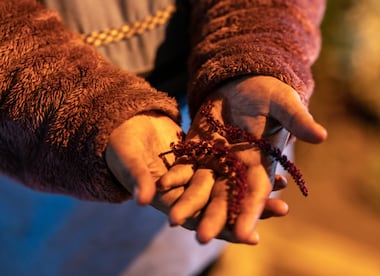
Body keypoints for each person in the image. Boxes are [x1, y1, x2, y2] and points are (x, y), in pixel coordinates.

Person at [0, 0, 327, 275]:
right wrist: (92, 109)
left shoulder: (218, 131)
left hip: (198, 107)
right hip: (28, 147)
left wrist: (257, 56)